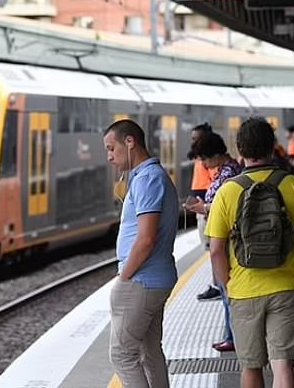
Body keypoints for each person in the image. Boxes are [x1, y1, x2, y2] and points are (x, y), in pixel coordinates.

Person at [205, 117, 294, 388]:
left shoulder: (227, 192)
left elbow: (216, 251)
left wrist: (228, 285)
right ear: (272, 148)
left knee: (250, 366)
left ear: (239, 150)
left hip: (244, 291)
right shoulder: (293, 185)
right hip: (287, 287)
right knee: (283, 368)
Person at [103, 119, 179, 388]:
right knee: (149, 352)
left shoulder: (147, 179)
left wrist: (124, 277)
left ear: (129, 142)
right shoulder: (150, 177)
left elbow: (146, 239)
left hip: (142, 280)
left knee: (122, 355)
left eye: (111, 149)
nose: (110, 157)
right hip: (154, 278)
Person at [185, 131, 242, 353]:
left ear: (217, 155)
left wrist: (203, 208)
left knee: (226, 288)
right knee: (225, 288)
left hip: (226, 239)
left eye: (206, 160)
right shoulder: (226, 171)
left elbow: (224, 205)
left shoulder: (229, 173)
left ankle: (233, 337)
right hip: (223, 236)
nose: (205, 165)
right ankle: (231, 335)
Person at [189, 123, 221, 301]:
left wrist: (205, 206)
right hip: (203, 207)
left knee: (213, 247)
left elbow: (213, 183)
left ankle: (218, 284)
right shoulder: (200, 158)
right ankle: (217, 283)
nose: (194, 142)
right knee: (210, 248)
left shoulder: (210, 160)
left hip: (207, 208)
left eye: (197, 138)